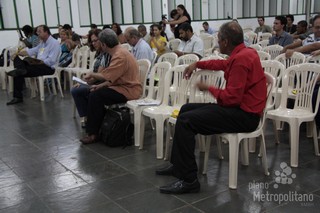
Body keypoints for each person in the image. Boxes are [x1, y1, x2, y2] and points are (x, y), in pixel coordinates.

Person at [156, 21, 267, 194]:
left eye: (218, 39)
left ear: (225, 42)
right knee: (186, 109)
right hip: (238, 109)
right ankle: (178, 165)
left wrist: (208, 88)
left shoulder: (241, 59)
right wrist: (197, 64)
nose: (217, 42)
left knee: (186, 121)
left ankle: (189, 179)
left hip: (245, 116)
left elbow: (231, 99)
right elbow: (222, 65)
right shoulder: (244, 53)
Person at [79, 29, 142, 144]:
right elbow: (114, 78)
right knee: (94, 92)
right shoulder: (119, 52)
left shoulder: (119, 55)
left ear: (104, 44)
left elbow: (107, 75)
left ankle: (93, 133)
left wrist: (92, 74)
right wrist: (100, 86)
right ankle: (100, 127)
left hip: (129, 90)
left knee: (96, 96)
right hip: (122, 87)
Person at [6, 25, 60, 105]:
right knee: (17, 58)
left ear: (46, 32)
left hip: (47, 68)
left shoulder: (54, 43)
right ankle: (20, 70)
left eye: (39, 32)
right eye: (37, 32)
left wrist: (40, 61)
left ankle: (18, 97)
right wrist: (18, 53)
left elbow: (51, 60)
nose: (37, 34)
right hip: (37, 65)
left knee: (18, 72)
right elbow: (31, 51)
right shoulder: (42, 43)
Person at [71, 29, 112, 128]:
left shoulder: (107, 54)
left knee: (80, 90)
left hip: (103, 82)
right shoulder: (99, 53)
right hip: (96, 80)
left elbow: (101, 75)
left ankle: (90, 118)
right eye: (92, 41)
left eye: (95, 40)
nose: (93, 43)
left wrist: (85, 82)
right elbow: (94, 73)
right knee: (76, 89)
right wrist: (83, 81)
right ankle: (85, 117)